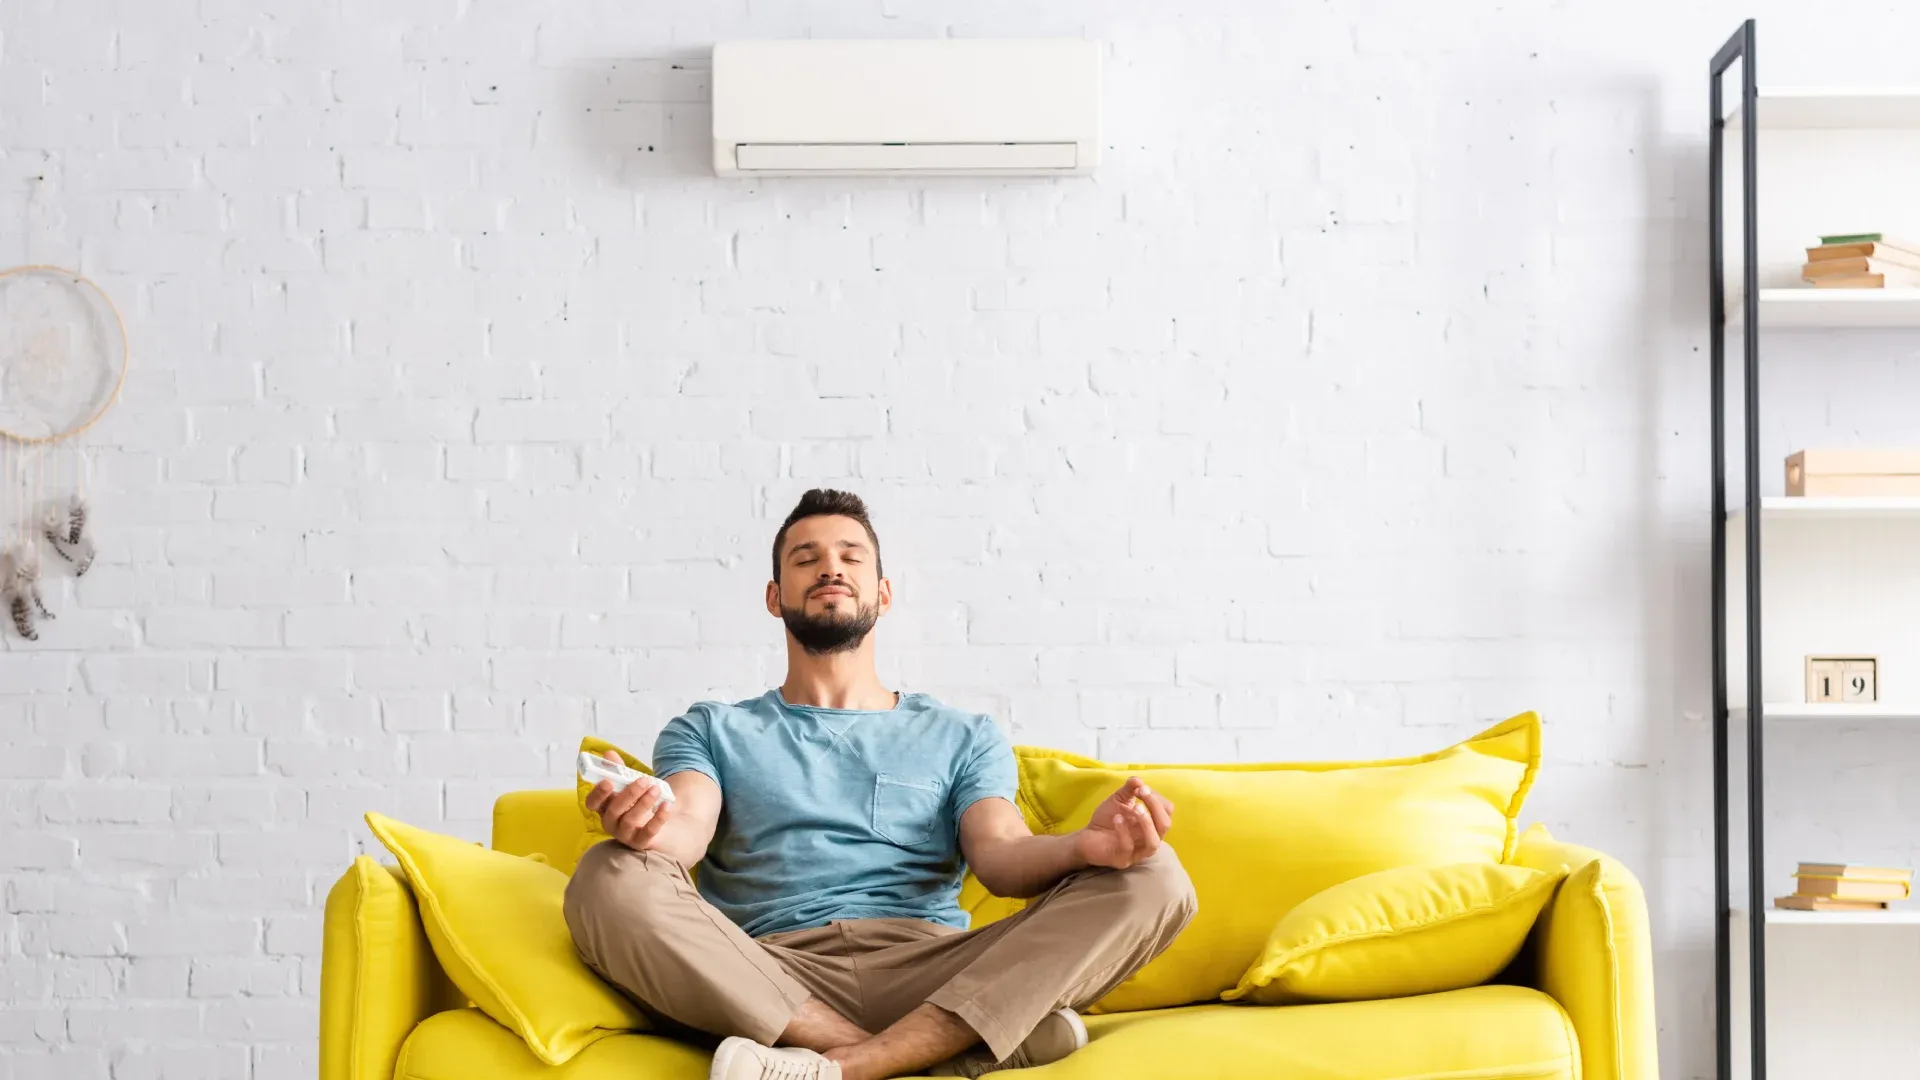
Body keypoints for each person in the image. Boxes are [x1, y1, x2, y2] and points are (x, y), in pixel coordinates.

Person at [565, 488, 1197, 1080]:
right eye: (805, 558)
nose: (829, 568)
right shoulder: (711, 727)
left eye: (850, 557)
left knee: (1155, 876)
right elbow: (686, 830)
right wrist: (646, 827)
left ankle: (838, 1069)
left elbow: (1002, 859)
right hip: (768, 974)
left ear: (883, 593)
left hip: (933, 969)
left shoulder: (962, 733)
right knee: (610, 873)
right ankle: (943, 1050)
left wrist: (1089, 847)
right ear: (773, 595)